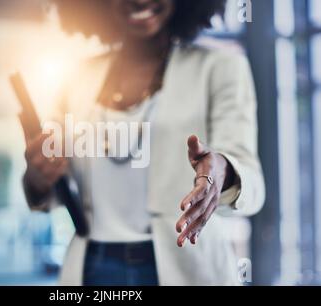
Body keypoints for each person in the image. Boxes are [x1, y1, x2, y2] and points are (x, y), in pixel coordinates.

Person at [22, 0, 265, 286]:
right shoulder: (76, 79)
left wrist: (223, 170)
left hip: (185, 266)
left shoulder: (221, 68)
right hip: (93, 267)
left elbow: (252, 185)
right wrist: (38, 176)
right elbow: (50, 192)